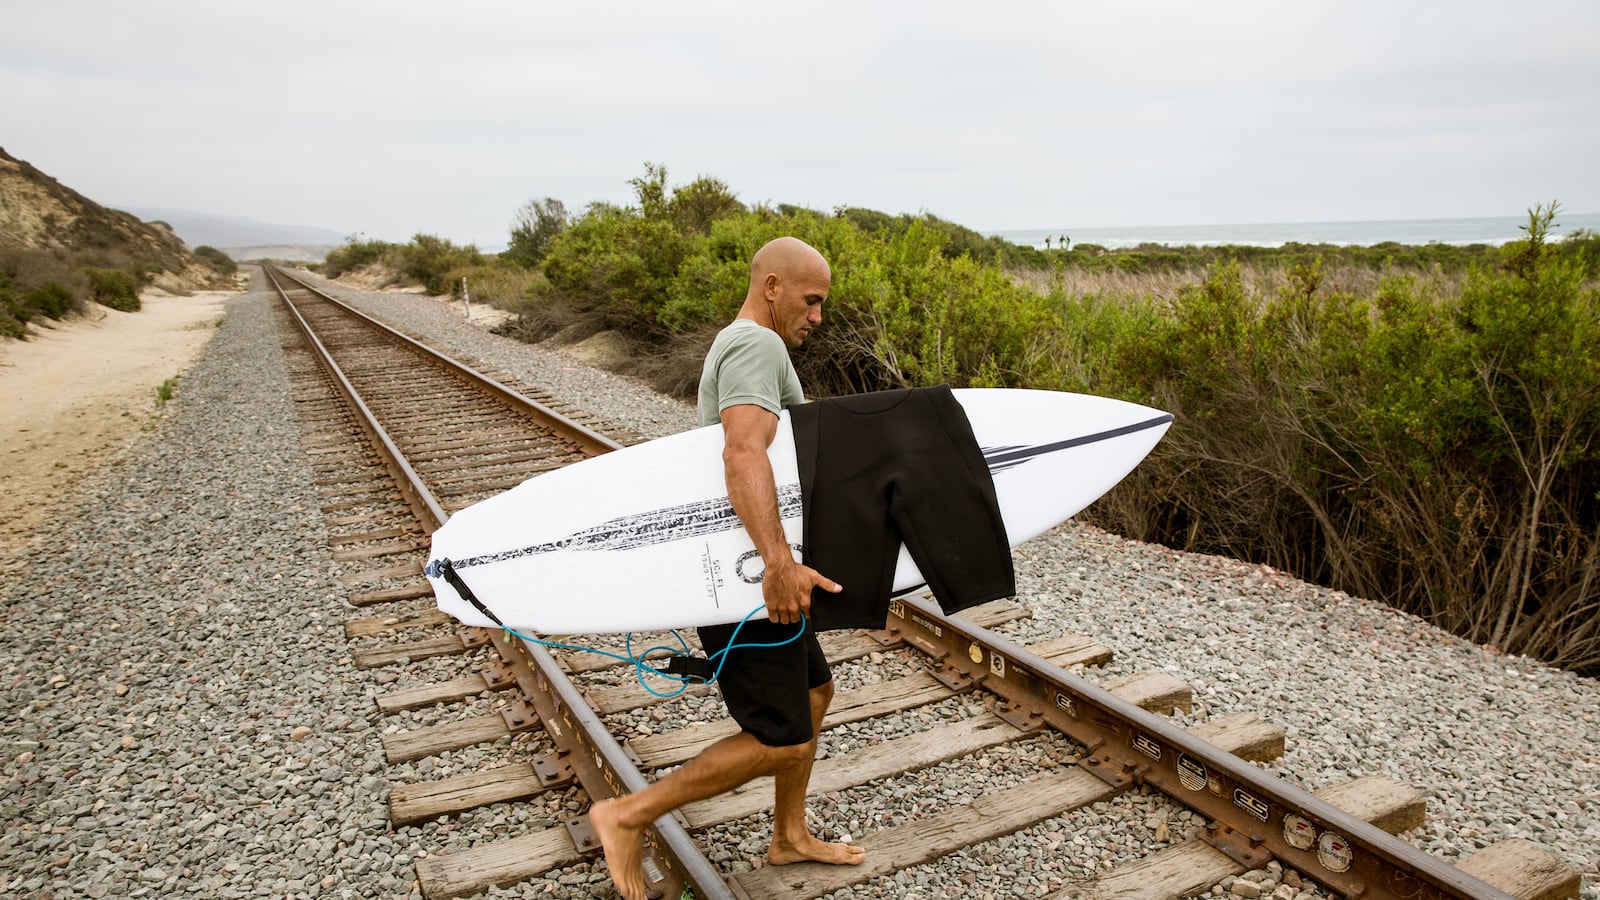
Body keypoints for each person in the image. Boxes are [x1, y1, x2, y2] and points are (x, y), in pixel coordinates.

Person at [589, 236, 866, 899]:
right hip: (746, 577)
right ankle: (626, 816)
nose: (817, 317)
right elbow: (742, 450)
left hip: (753, 565)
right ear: (772, 286)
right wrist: (776, 562)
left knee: (812, 697)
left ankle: (788, 835)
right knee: (779, 738)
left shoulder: (743, 343)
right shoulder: (755, 345)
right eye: (811, 301)